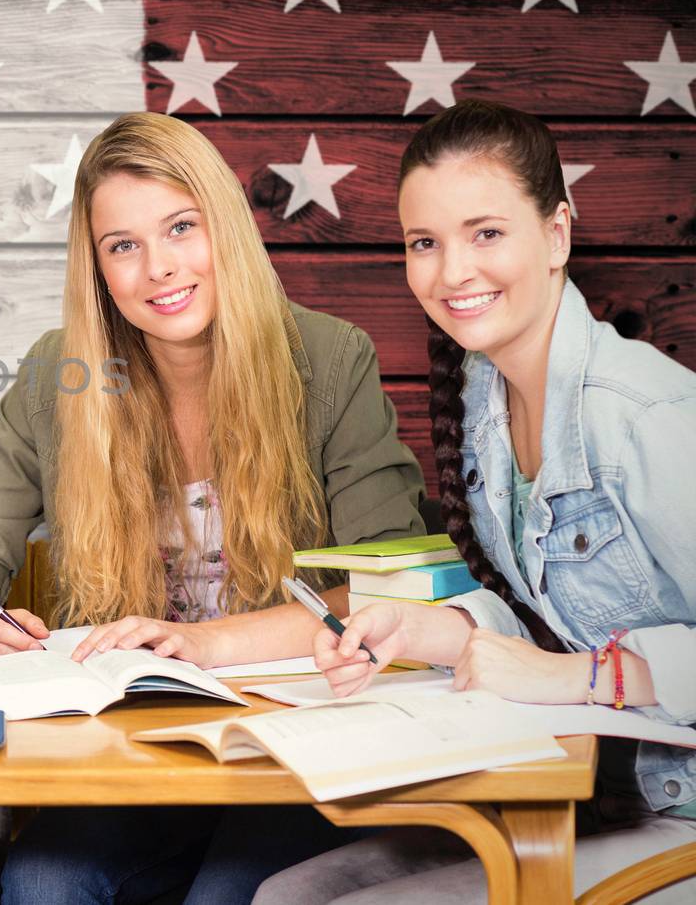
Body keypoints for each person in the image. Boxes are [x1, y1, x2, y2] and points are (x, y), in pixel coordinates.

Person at [0, 111, 428, 905]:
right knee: (41, 877)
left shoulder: (329, 357)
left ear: (222, 225)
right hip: (138, 749)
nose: (159, 268)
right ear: (99, 268)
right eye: (124, 245)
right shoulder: (58, 376)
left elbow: (394, 582)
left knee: (225, 893)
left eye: (181, 227)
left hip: (295, 743)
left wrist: (202, 642)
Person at [253, 101, 695, 903]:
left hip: (679, 813)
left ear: (557, 233)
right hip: (582, 790)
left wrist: (578, 678)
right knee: (289, 896)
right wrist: (433, 632)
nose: (452, 271)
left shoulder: (644, 415)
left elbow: (561, 663)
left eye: (485, 232)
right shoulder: (485, 394)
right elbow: (540, 620)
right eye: (425, 242)